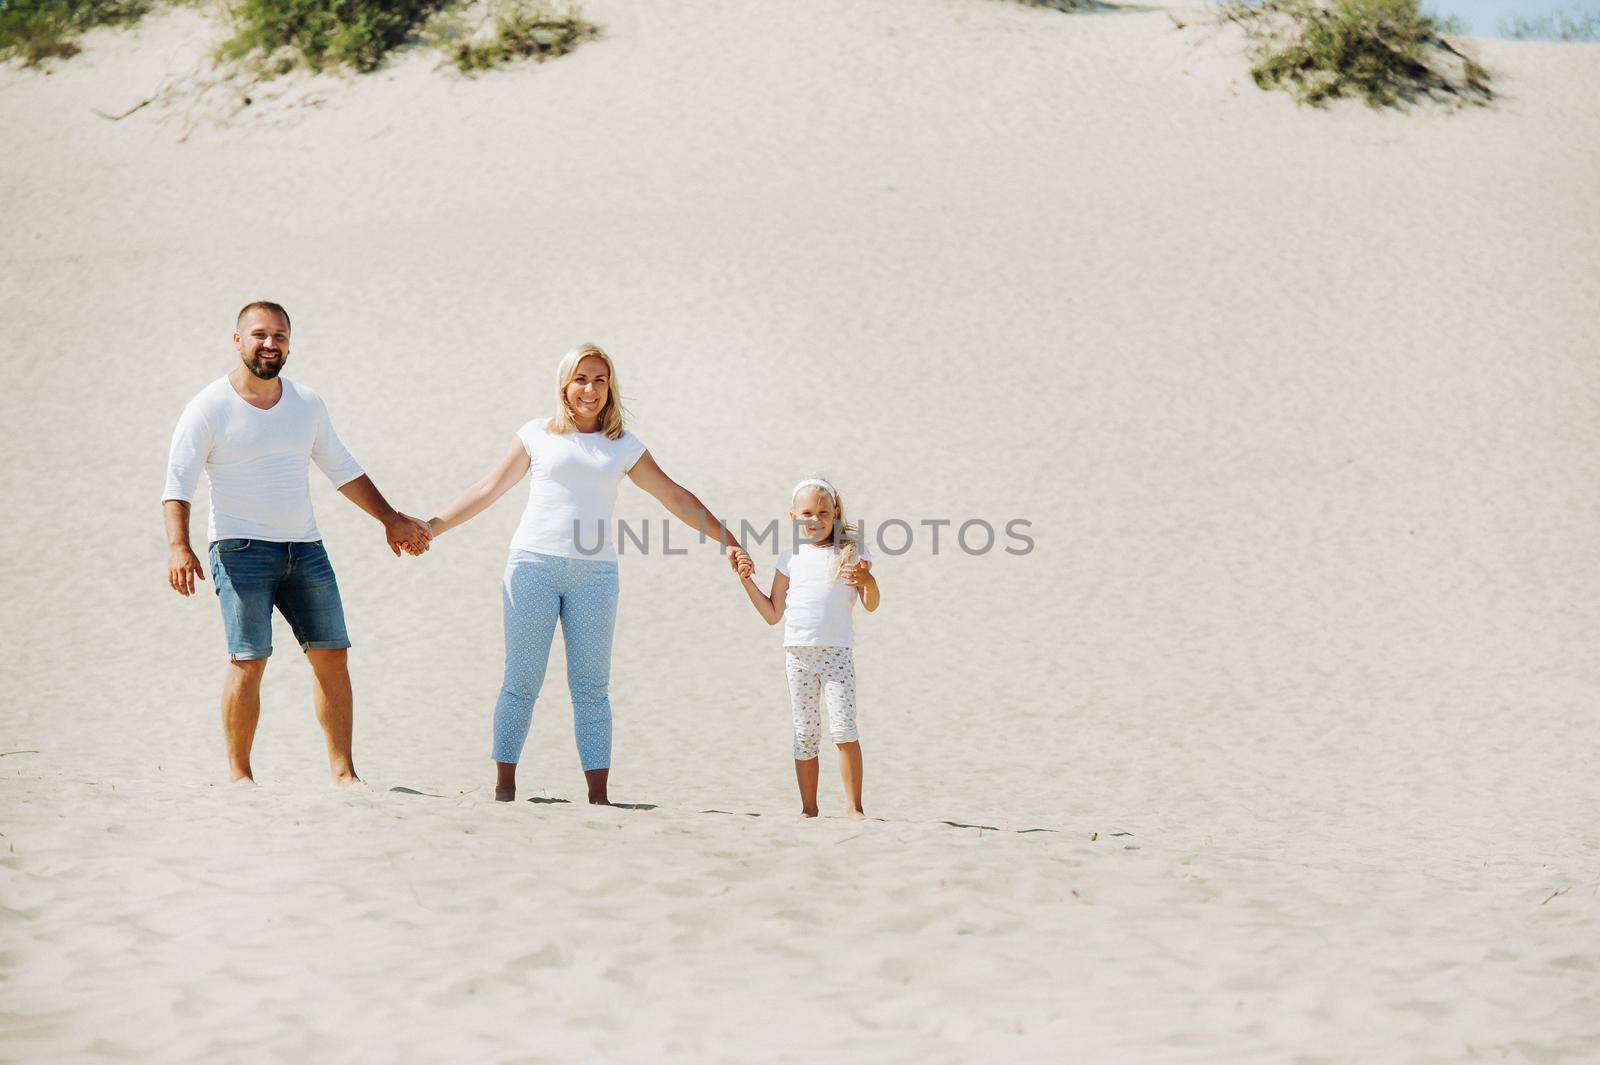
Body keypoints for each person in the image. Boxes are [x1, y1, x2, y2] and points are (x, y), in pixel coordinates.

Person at [425, 343, 751, 804]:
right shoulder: (536, 434)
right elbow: (488, 488)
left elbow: (675, 497)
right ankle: (504, 790)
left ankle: (599, 797)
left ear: (610, 388)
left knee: (592, 688)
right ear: (564, 385)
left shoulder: (622, 445)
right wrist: (431, 528)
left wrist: (728, 541)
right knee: (521, 682)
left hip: (595, 577)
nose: (590, 389)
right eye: (581, 379)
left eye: (600, 380)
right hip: (533, 567)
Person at [162, 301, 432, 786]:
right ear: (237, 340)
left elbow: (343, 469)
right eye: (260, 335)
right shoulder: (208, 406)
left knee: (333, 654)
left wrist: (390, 519)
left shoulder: (306, 403)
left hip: (305, 550)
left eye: (280, 336)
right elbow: (176, 485)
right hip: (239, 550)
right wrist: (178, 546)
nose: (271, 344)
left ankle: (344, 772)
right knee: (249, 659)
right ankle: (240, 775)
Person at [736, 478, 881, 819]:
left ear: (835, 513)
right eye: (806, 513)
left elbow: (871, 604)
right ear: (793, 517)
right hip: (798, 656)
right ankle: (809, 809)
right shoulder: (790, 558)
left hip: (837, 655)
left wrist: (868, 582)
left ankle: (854, 808)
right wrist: (746, 582)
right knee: (805, 733)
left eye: (823, 513)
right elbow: (773, 614)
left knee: (844, 729)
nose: (814, 520)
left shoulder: (853, 554)